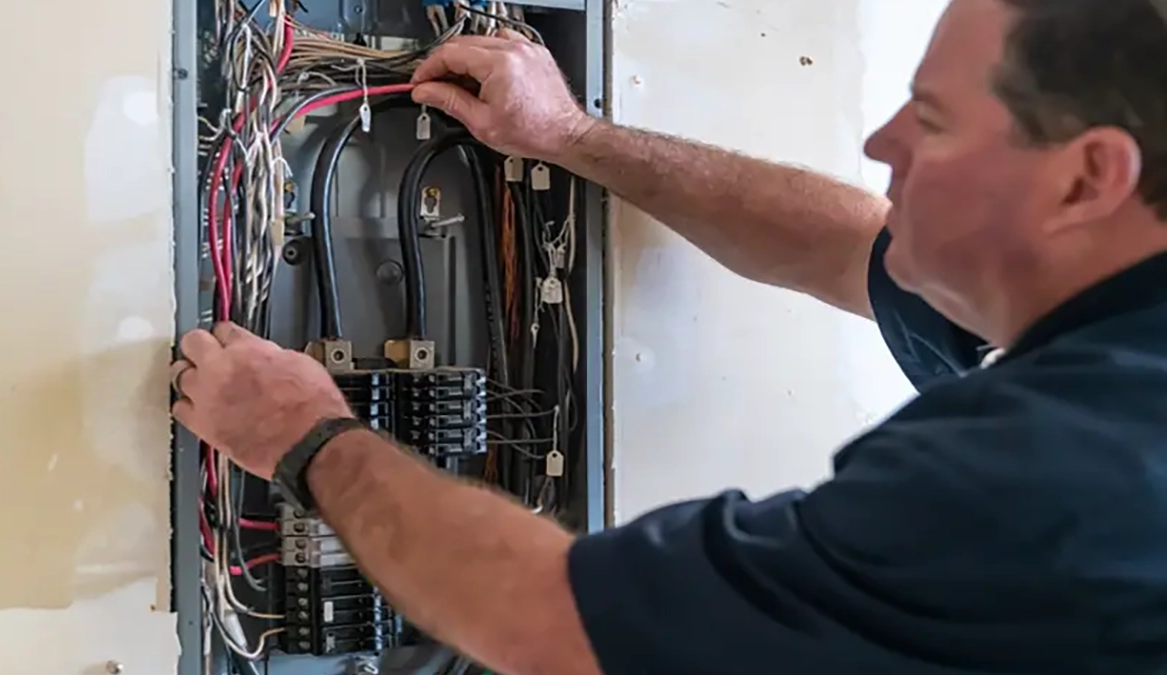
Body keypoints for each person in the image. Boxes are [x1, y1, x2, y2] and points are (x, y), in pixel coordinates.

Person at [170, 0, 1167, 672]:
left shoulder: (1059, 475)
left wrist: (303, 436)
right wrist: (570, 137)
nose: (880, 143)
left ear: (1087, 179)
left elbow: (552, 621)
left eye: (934, 121)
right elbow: (853, 243)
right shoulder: (1124, 331)